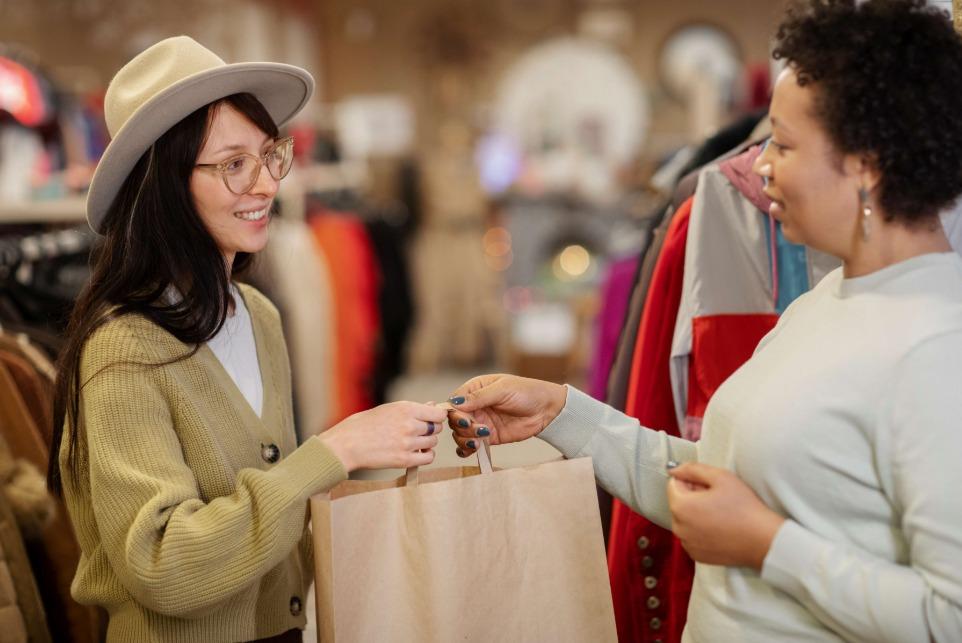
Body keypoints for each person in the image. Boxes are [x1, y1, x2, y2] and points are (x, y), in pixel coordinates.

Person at [447, 1, 962, 641]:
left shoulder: (938, 345)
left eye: (786, 143)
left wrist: (768, 545)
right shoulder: (826, 301)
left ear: (866, 163)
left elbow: (950, 617)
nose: (760, 163)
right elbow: (717, 484)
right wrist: (563, 414)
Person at [47, 37, 447, 643]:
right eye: (233, 164)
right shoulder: (123, 349)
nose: (265, 185)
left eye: (268, 156)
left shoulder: (256, 314)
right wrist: (331, 453)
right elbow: (164, 564)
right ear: (163, 186)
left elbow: (272, 515)